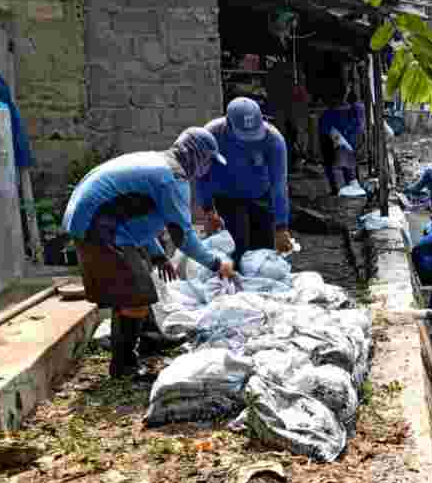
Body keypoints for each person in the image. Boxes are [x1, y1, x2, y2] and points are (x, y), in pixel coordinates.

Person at [64, 127, 236, 380]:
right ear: (198, 156)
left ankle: (147, 340)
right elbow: (183, 237)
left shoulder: (160, 164)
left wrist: (157, 255)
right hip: (99, 228)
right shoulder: (172, 178)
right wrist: (217, 263)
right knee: (136, 296)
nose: (208, 167)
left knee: (137, 286)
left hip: (97, 221)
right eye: (209, 160)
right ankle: (124, 367)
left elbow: (141, 217)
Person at [197, 97, 295, 264]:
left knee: (263, 253)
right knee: (236, 250)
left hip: (261, 195)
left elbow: (279, 185)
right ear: (228, 123)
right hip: (226, 196)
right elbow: (201, 175)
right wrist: (208, 210)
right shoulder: (211, 135)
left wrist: (281, 227)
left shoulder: (273, 140)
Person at [318, 90, 362, 193]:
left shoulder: (326, 115)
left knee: (333, 166)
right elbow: (357, 127)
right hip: (346, 142)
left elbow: (323, 133)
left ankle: (336, 189)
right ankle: (348, 186)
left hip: (331, 143)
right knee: (349, 166)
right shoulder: (351, 111)